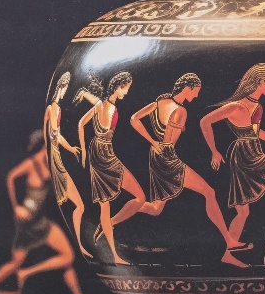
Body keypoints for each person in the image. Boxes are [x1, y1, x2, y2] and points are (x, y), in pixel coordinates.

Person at [130, 73, 252, 269]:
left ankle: (118, 213)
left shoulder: (159, 102)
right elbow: (169, 141)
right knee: (209, 191)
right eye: (196, 91)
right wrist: (174, 132)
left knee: (155, 208)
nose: (196, 96)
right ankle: (229, 240)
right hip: (168, 159)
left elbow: (134, 119)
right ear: (188, 88)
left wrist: (152, 141)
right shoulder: (180, 110)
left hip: (156, 156)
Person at [0, 130, 108, 294]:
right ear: (44, 146)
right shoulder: (31, 163)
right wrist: (16, 207)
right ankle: (6, 284)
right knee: (22, 262)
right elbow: (10, 177)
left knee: (65, 260)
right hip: (29, 223)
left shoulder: (50, 163)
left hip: (40, 221)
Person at [200, 63, 265, 248]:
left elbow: (255, 132)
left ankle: (228, 254)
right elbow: (205, 121)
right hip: (248, 157)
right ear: (261, 82)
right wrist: (214, 151)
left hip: (249, 154)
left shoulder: (256, 106)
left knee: (243, 212)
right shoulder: (237, 106)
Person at [76, 71, 145, 265]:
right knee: (135, 198)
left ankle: (112, 245)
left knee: (108, 205)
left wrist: (84, 151)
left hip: (98, 153)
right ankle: (114, 253)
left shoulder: (101, 105)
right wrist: (83, 151)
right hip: (104, 155)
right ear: (118, 86)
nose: (126, 93)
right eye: (126, 88)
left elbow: (81, 124)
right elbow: (86, 124)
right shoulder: (107, 107)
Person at [44, 71, 88, 257]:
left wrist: (71, 148)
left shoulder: (56, 109)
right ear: (61, 88)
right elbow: (50, 134)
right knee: (77, 205)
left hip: (55, 156)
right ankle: (78, 247)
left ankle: (79, 246)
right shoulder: (52, 108)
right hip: (53, 158)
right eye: (65, 88)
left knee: (78, 205)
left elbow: (57, 135)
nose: (65, 92)